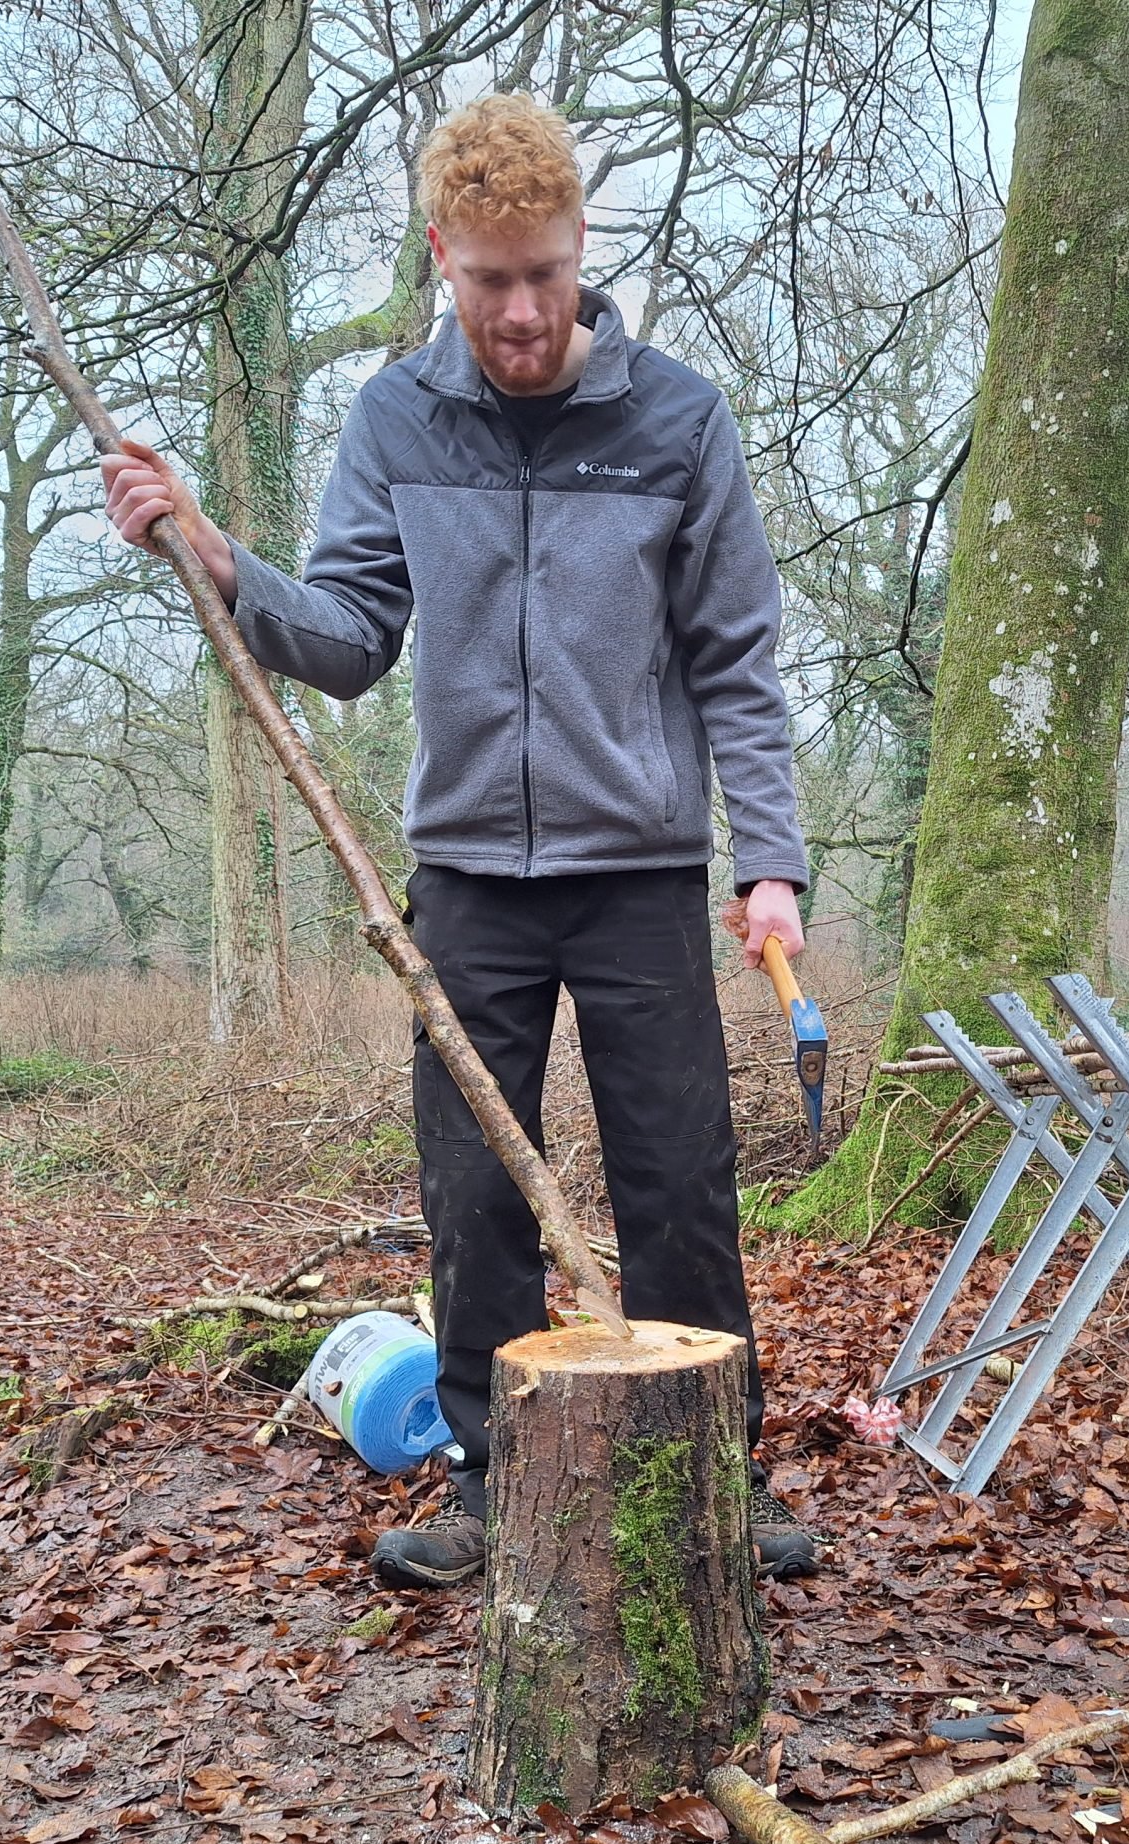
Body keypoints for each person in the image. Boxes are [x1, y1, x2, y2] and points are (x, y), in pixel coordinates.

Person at [100, 93, 818, 1590]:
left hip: (637, 875)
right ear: (444, 256)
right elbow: (353, 636)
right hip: (470, 880)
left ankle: (711, 1484)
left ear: (580, 252)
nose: (520, 310)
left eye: (545, 273)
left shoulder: (676, 420)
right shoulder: (395, 421)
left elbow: (740, 664)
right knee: (473, 1192)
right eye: (489, 278)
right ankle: (496, 1484)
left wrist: (770, 865)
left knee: (679, 1182)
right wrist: (220, 560)